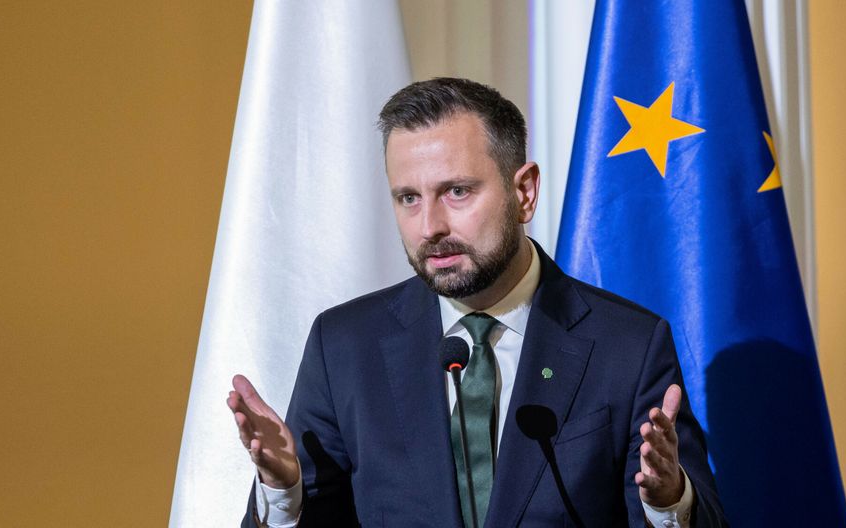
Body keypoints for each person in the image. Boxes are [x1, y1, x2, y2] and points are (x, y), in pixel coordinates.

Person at [227, 78, 726, 527]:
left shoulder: (630, 347)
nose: (430, 227)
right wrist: (283, 493)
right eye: (409, 198)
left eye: (457, 192)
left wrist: (668, 504)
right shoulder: (345, 346)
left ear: (524, 192)